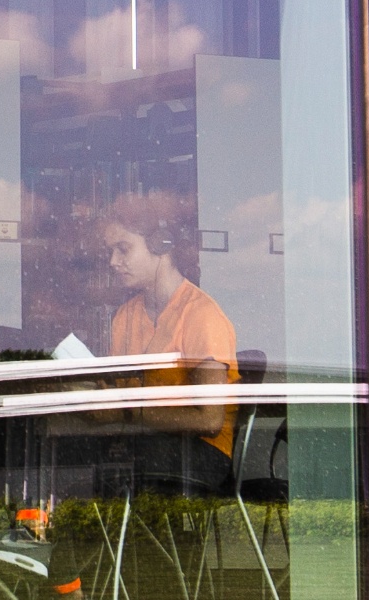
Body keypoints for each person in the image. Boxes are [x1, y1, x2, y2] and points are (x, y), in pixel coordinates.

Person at [45, 192, 241, 598]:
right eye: (110, 251)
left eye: (123, 248)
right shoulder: (125, 316)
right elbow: (127, 394)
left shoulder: (202, 315)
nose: (114, 262)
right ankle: (61, 572)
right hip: (143, 445)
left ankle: (62, 577)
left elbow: (209, 419)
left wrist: (126, 411)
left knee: (103, 471)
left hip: (199, 455)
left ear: (161, 247)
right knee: (66, 457)